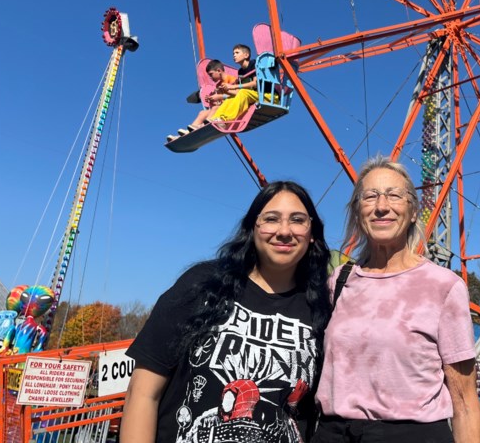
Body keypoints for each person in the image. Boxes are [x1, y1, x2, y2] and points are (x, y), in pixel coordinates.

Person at [120, 181, 332, 443]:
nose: (284, 231)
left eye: (297, 220)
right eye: (271, 219)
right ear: (252, 228)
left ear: (312, 232)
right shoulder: (202, 284)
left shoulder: (322, 309)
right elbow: (142, 393)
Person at [312, 156, 480, 443]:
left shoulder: (443, 285)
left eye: (394, 195)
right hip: (334, 433)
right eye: (370, 197)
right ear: (357, 212)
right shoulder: (339, 281)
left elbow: (465, 401)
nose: (382, 206)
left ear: (413, 211)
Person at [168, 60, 239, 141]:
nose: (210, 78)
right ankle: (189, 131)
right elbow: (220, 100)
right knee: (202, 112)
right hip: (221, 108)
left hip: (229, 107)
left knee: (215, 108)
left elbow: (237, 95)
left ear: (219, 71)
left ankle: (205, 125)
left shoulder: (232, 80)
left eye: (211, 74)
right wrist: (212, 99)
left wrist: (219, 97)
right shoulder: (218, 85)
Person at [209, 43, 259, 128]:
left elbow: (255, 83)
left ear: (246, 55)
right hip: (251, 95)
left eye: (237, 53)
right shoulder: (240, 72)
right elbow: (238, 92)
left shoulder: (253, 64)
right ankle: (214, 118)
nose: (234, 55)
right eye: (233, 53)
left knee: (243, 93)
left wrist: (233, 86)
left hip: (263, 95)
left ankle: (225, 120)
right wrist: (226, 90)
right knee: (231, 98)